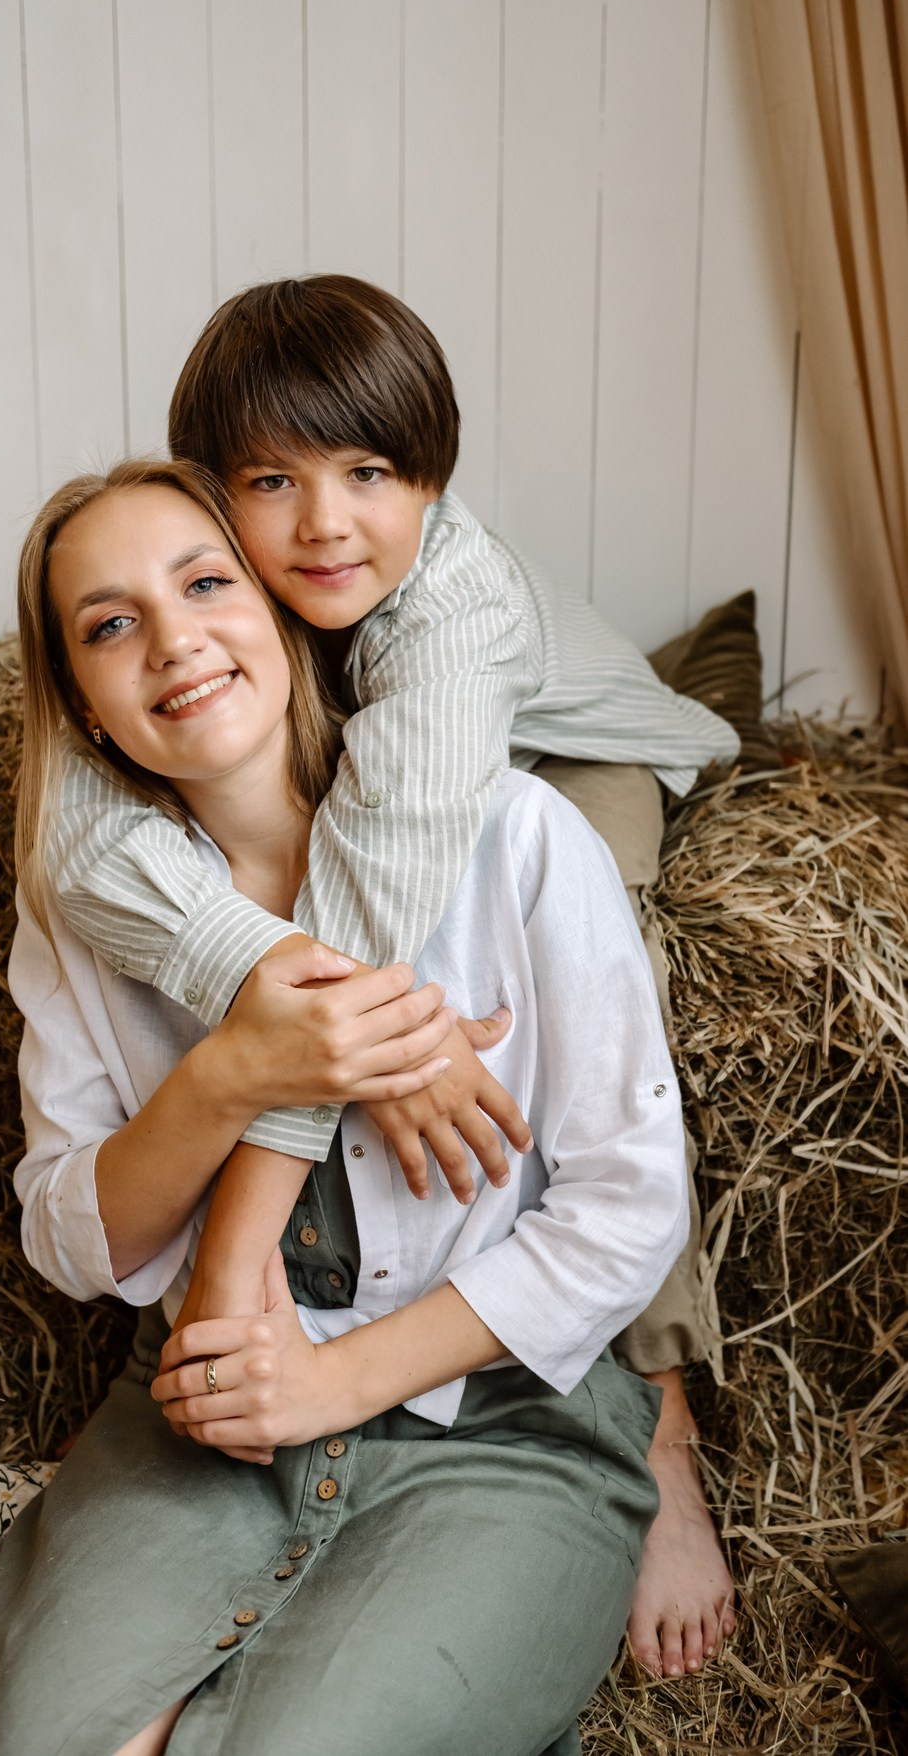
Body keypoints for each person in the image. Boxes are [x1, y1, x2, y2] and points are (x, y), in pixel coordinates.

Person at [0, 460, 690, 1756]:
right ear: (84, 703)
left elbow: (630, 1212)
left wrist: (328, 1382)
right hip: (201, 1413)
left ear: (288, 612)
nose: (174, 641)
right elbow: (73, 1241)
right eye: (111, 624)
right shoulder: (83, 912)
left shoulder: (514, 837)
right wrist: (237, 1067)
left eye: (205, 583)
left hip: (501, 1423)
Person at [49, 277, 737, 1675]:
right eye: (270, 481)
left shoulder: (449, 615)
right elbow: (66, 837)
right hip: (404, 777)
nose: (323, 523)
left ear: (431, 476)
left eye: (371, 472)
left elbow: (388, 861)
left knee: (590, 972)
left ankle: (659, 1422)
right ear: (211, 493)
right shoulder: (218, 606)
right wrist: (386, 1039)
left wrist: (266, 1207)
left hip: (587, 752)